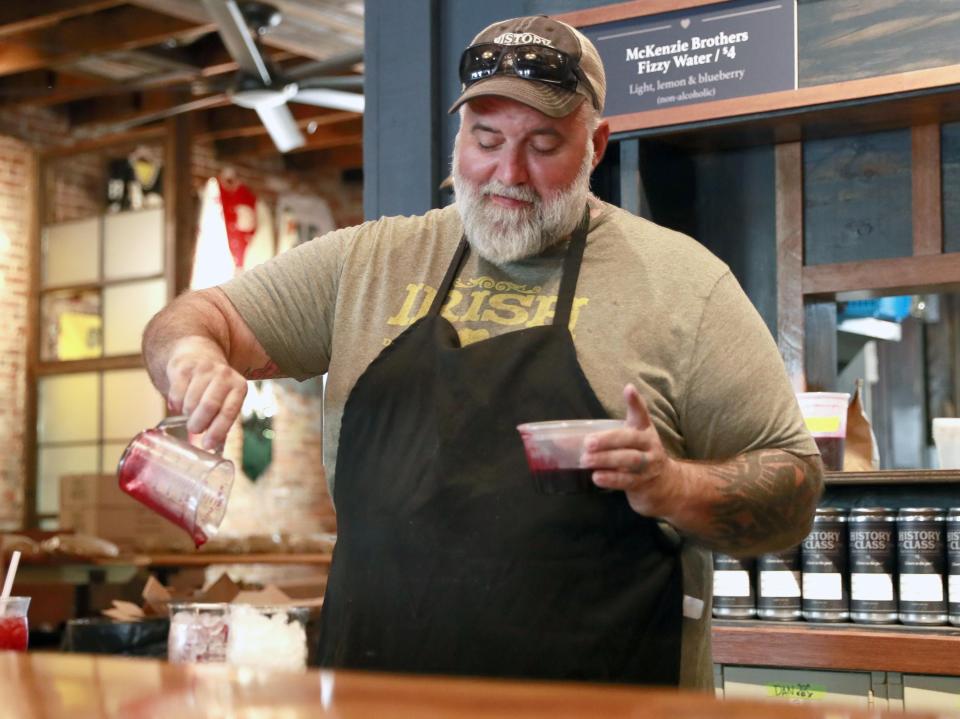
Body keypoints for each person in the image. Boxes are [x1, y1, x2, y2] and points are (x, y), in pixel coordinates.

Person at [143, 15, 822, 689]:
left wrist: (672, 484)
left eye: (544, 144)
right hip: (376, 701)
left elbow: (794, 488)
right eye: (486, 138)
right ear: (458, 135)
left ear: (597, 146)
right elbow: (197, 318)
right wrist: (192, 359)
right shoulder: (371, 261)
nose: (508, 172)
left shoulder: (683, 285)